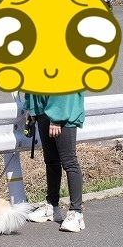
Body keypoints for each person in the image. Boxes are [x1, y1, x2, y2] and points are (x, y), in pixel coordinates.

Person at [23, 91, 86, 232]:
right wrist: (31, 108)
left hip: (64, 111)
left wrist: (56, 117)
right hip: (43, 110)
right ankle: (52, 205)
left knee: (69, 161)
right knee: (51, 160)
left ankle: (76, 212)